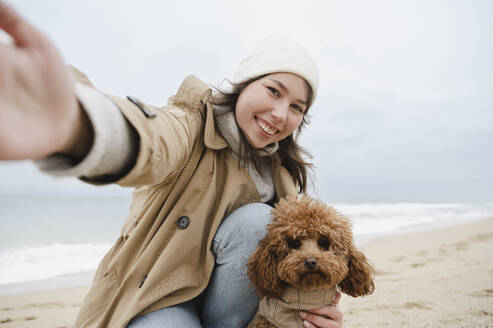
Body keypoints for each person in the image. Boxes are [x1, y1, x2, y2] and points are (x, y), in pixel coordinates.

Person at [0, 2, 344, 327]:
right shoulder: (190, 125)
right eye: (273, 90)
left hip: (236, 314)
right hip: (160, 298)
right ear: (244, 85)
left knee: (259, 222)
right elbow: (152, 139)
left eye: (297, 107)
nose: (281, 114)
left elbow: (294, 263)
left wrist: (314, 311)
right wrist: (79, 123)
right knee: (256, 221)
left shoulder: (282, 175)